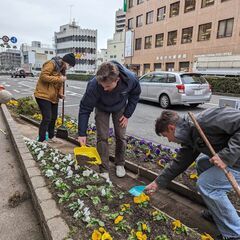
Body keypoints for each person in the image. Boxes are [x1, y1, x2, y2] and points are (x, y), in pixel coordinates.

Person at [145, 108, 240, 240]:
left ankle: (234, 234)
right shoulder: (190, 134)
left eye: (166, 136)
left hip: (237, 161)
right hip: (234, 160)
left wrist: (226, 157)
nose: (169, 141)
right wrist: (157, 183)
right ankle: (219, 212)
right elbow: (180, 162)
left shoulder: (206, 120)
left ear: (172, 128)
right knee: (202, 163)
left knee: (207, 185)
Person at [78, 61, 141, 178]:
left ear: (117, 80)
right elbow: (85, 108)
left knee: (121, 136)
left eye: (107, 86)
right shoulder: (94, 85)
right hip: (101, 107)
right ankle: (104, 169)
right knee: (102, 137)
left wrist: (127, 114)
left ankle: (120, 163)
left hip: (120, 107)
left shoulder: (130, 79)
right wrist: (82, 133)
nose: (104, 88)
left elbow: (135, 94)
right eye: (102, 85)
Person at [34, 53, 76, 143]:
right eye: (70, 65)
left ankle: (51, 136)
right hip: (43, 95)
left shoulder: (62, 69)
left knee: (54, 117)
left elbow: (59, 85)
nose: (69, 67)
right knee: (47, 118)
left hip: (53, 97)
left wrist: (61, 95)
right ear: (65, 62)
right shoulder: (52, 63)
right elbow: (43, 77)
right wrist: (59, 79)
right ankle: (41, 140)